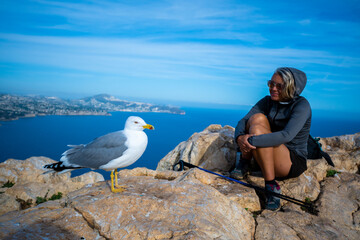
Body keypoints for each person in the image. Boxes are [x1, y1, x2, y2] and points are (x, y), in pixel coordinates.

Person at [233, 67, 311, 210]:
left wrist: (250, 141)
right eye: (271, 84)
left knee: (257, 131)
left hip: (291, 160)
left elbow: (286, 135)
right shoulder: (267, 101)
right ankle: (244, 163)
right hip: (265, 151)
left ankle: (271, 186)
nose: (273, 89)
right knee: (256, 118)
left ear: (291, 87)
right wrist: (239, 137)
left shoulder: (301, 105)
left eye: (279, 86)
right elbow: (243, 121)